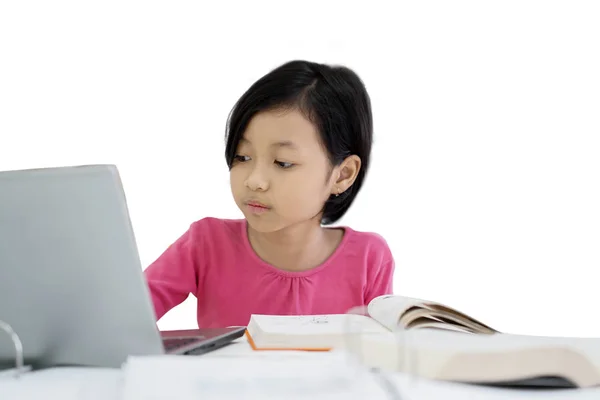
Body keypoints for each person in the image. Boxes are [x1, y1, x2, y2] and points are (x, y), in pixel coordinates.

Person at [144, 60, 395, 328]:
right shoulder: (205, 245)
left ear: (342, 175)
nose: (255, 181)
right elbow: (123, 318)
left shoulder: (369, 259)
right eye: (242, 156)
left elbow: (380, 354)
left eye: (283, 162)